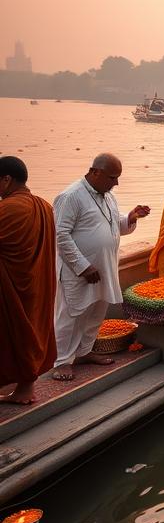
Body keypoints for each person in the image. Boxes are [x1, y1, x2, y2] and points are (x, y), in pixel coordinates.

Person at [51, 154, 149, 381]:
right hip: (77, 272)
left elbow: (115, 226)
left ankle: (84, 353)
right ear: (94, 172)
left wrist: (132, 217)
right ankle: (62, 361)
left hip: (104, 268)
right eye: (112, 178)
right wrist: (83, 266)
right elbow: (60, 235)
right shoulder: (70, 196)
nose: (116, 183)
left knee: (96, 312)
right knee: (70, 314)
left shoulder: (109, 197)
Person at [0, 157, 57, 404]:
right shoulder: (44, 206)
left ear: (6, 180)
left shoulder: (9, 209)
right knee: (30, 333)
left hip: (10, 289)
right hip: (35, 285)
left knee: (9, 336)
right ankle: (25, 390)